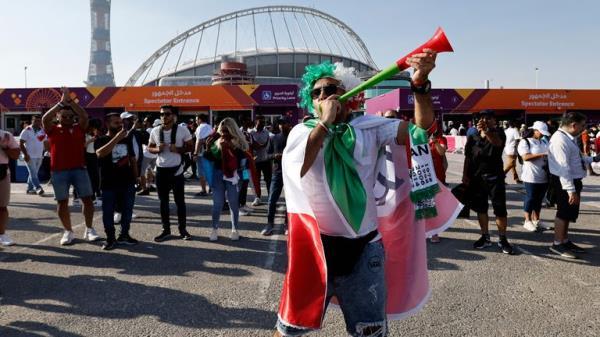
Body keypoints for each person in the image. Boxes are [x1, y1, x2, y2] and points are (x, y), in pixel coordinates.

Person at [274, 49, 437, 337]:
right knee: (289, 328)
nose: (324, 94)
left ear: (349, 94)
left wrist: (420, 84)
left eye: (332, 88)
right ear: (311, 102)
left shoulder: (369, 128)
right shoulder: (302, 132)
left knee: (370, 332)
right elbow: (300, 165)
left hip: (364, 249)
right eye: (317, 92)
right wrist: (324, 123)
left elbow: (420, 130)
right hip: (314, 249)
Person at [42, 87, 100, 245]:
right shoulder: (52, 130)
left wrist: (70, 102)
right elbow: (45, 119)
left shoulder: (79, 128)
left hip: (79, 169)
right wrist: (60, 103)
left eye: (70, 116)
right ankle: (68, 231)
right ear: (58, 116)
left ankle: (89, 229)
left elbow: (84, 115)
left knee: (87, 199)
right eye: (64, 116)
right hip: (58, 171)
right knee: (62, 202)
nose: (67, 118)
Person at [548, 112, 600, 258]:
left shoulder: (568, 138)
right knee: (563, 213)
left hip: (572, 181)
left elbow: (578, 158)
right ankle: (557, 244)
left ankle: (564, 240)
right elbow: (563, 167)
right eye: (582, 125)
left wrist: (594, 158)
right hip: (565, 182)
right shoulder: (560, 140)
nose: (584, 129)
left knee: (569, 214)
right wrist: (570, 190)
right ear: (573, 125)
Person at [463, 110, 514, 254]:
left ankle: (502, 239)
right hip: (477, 178)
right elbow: (468, 157)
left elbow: (497, 144)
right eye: (482, 119)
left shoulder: (499, 133)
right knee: (481, 209)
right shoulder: (472, 136)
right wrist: (465, 175)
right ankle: (485, 236)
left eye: (488, 118)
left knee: (500, 209)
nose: (485, 121)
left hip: (495, 178)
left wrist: (487, 131)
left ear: (494, 121)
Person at [148, 105, 193, 242]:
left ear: (173, 116)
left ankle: (183, 230)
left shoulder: (182, 130)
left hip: (176, 170)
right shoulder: (155, 131)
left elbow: (191, 146)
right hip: (161, 170)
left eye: (167, 114)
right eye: (161, 114)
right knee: (163, 203)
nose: (164, 117)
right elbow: (150, 147)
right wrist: (157, 150)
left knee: (180, 202)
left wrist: (178, 149)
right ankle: (165, 230)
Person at [94, 113, 139, 250]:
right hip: (109, 183)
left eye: (120, 122)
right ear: (107, 124)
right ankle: (110, 239)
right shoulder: (101, 139)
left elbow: (132, 159)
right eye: (116, 123)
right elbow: (100, 153)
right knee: (108, 212)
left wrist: (136, 178)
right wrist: (116, 138)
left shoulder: (127, 140)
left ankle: (124, 235)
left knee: (127, 211)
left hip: (127, 182)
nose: (120, 125)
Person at [203, 118, 249, 241]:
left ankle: (235, 230)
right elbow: (210, 158)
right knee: (217, 204)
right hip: (218, 175)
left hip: (234, 176)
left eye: (227, 131)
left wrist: (230, 148)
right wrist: (208, 147)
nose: (224, 134)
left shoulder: (239, 142)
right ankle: (214, 229)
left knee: (234, 204)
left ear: (233, 130)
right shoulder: (217, 142)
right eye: (222, 131)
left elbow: (243, 161)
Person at [518, 121, 552, 232]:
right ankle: (527, 221)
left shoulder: (543, 142)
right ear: (535, 130)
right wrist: (542, 155)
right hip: (530, 176)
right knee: (530, 198)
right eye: (540, 132)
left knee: (539, 199)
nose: (542, 134)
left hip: (544, 175)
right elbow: (525, 157)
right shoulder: (525, 142)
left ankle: (536, 220)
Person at [261, 117, 292, 236]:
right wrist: (275, 156)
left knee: (290, 201)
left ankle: (288, 224)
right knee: (271, 200)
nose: (281, 126)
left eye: (283, 123)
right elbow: (267, 155)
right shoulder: (274, 138)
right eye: (279, 124)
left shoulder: (293, 137)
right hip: (277, 173)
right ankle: (269, 224)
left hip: (291, 173)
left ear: (288, 124)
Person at [0, 129, 21, 246]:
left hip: (2, 171)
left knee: (2, 207)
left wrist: (4, 146)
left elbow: (16, 155)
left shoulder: (6, 135)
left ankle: (2, 235)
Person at [429, 126, 448, 243]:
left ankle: (434, 232)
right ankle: (427, 230)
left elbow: (442, 152)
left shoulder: (441, 139)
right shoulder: (419, 138)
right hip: (425, 176)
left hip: (438, 176)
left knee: (435, 205)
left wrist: (435, 142)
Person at [19, 115, 46, 195]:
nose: (38, 122)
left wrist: (47, 151)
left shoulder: (42, 130)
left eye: (39, 121)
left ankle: (29, 189)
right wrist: (26, 154)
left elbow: (45, 142)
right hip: (29, 156)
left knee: (34, 173)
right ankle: (38, 187)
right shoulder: (27, 130)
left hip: (39, 156)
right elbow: (21, 143)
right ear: (32, 121)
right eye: (36, 120)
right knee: (33, 172)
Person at [249, 116, 271, 206]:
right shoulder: (251, 133)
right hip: (255, 161)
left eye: (263, 124)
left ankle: (271, 197)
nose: (261, 125)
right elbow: (252, 146)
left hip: (265, 160)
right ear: (255, 123)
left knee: (268, 180)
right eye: (259, 124)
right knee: (256, 181)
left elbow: (267, 145)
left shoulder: (266, 132)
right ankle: (257, 198)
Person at [193, 114, 213, 196]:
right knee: (210, 171)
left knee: (201, 173)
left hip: (202, 153)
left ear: (200, 120)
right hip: (210, 153)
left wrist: (195, 153)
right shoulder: (209, 127)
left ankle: (203, 190)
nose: (196, 121)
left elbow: (199, 141)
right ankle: (212, 188)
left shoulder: (200, 127)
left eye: (197, 119)